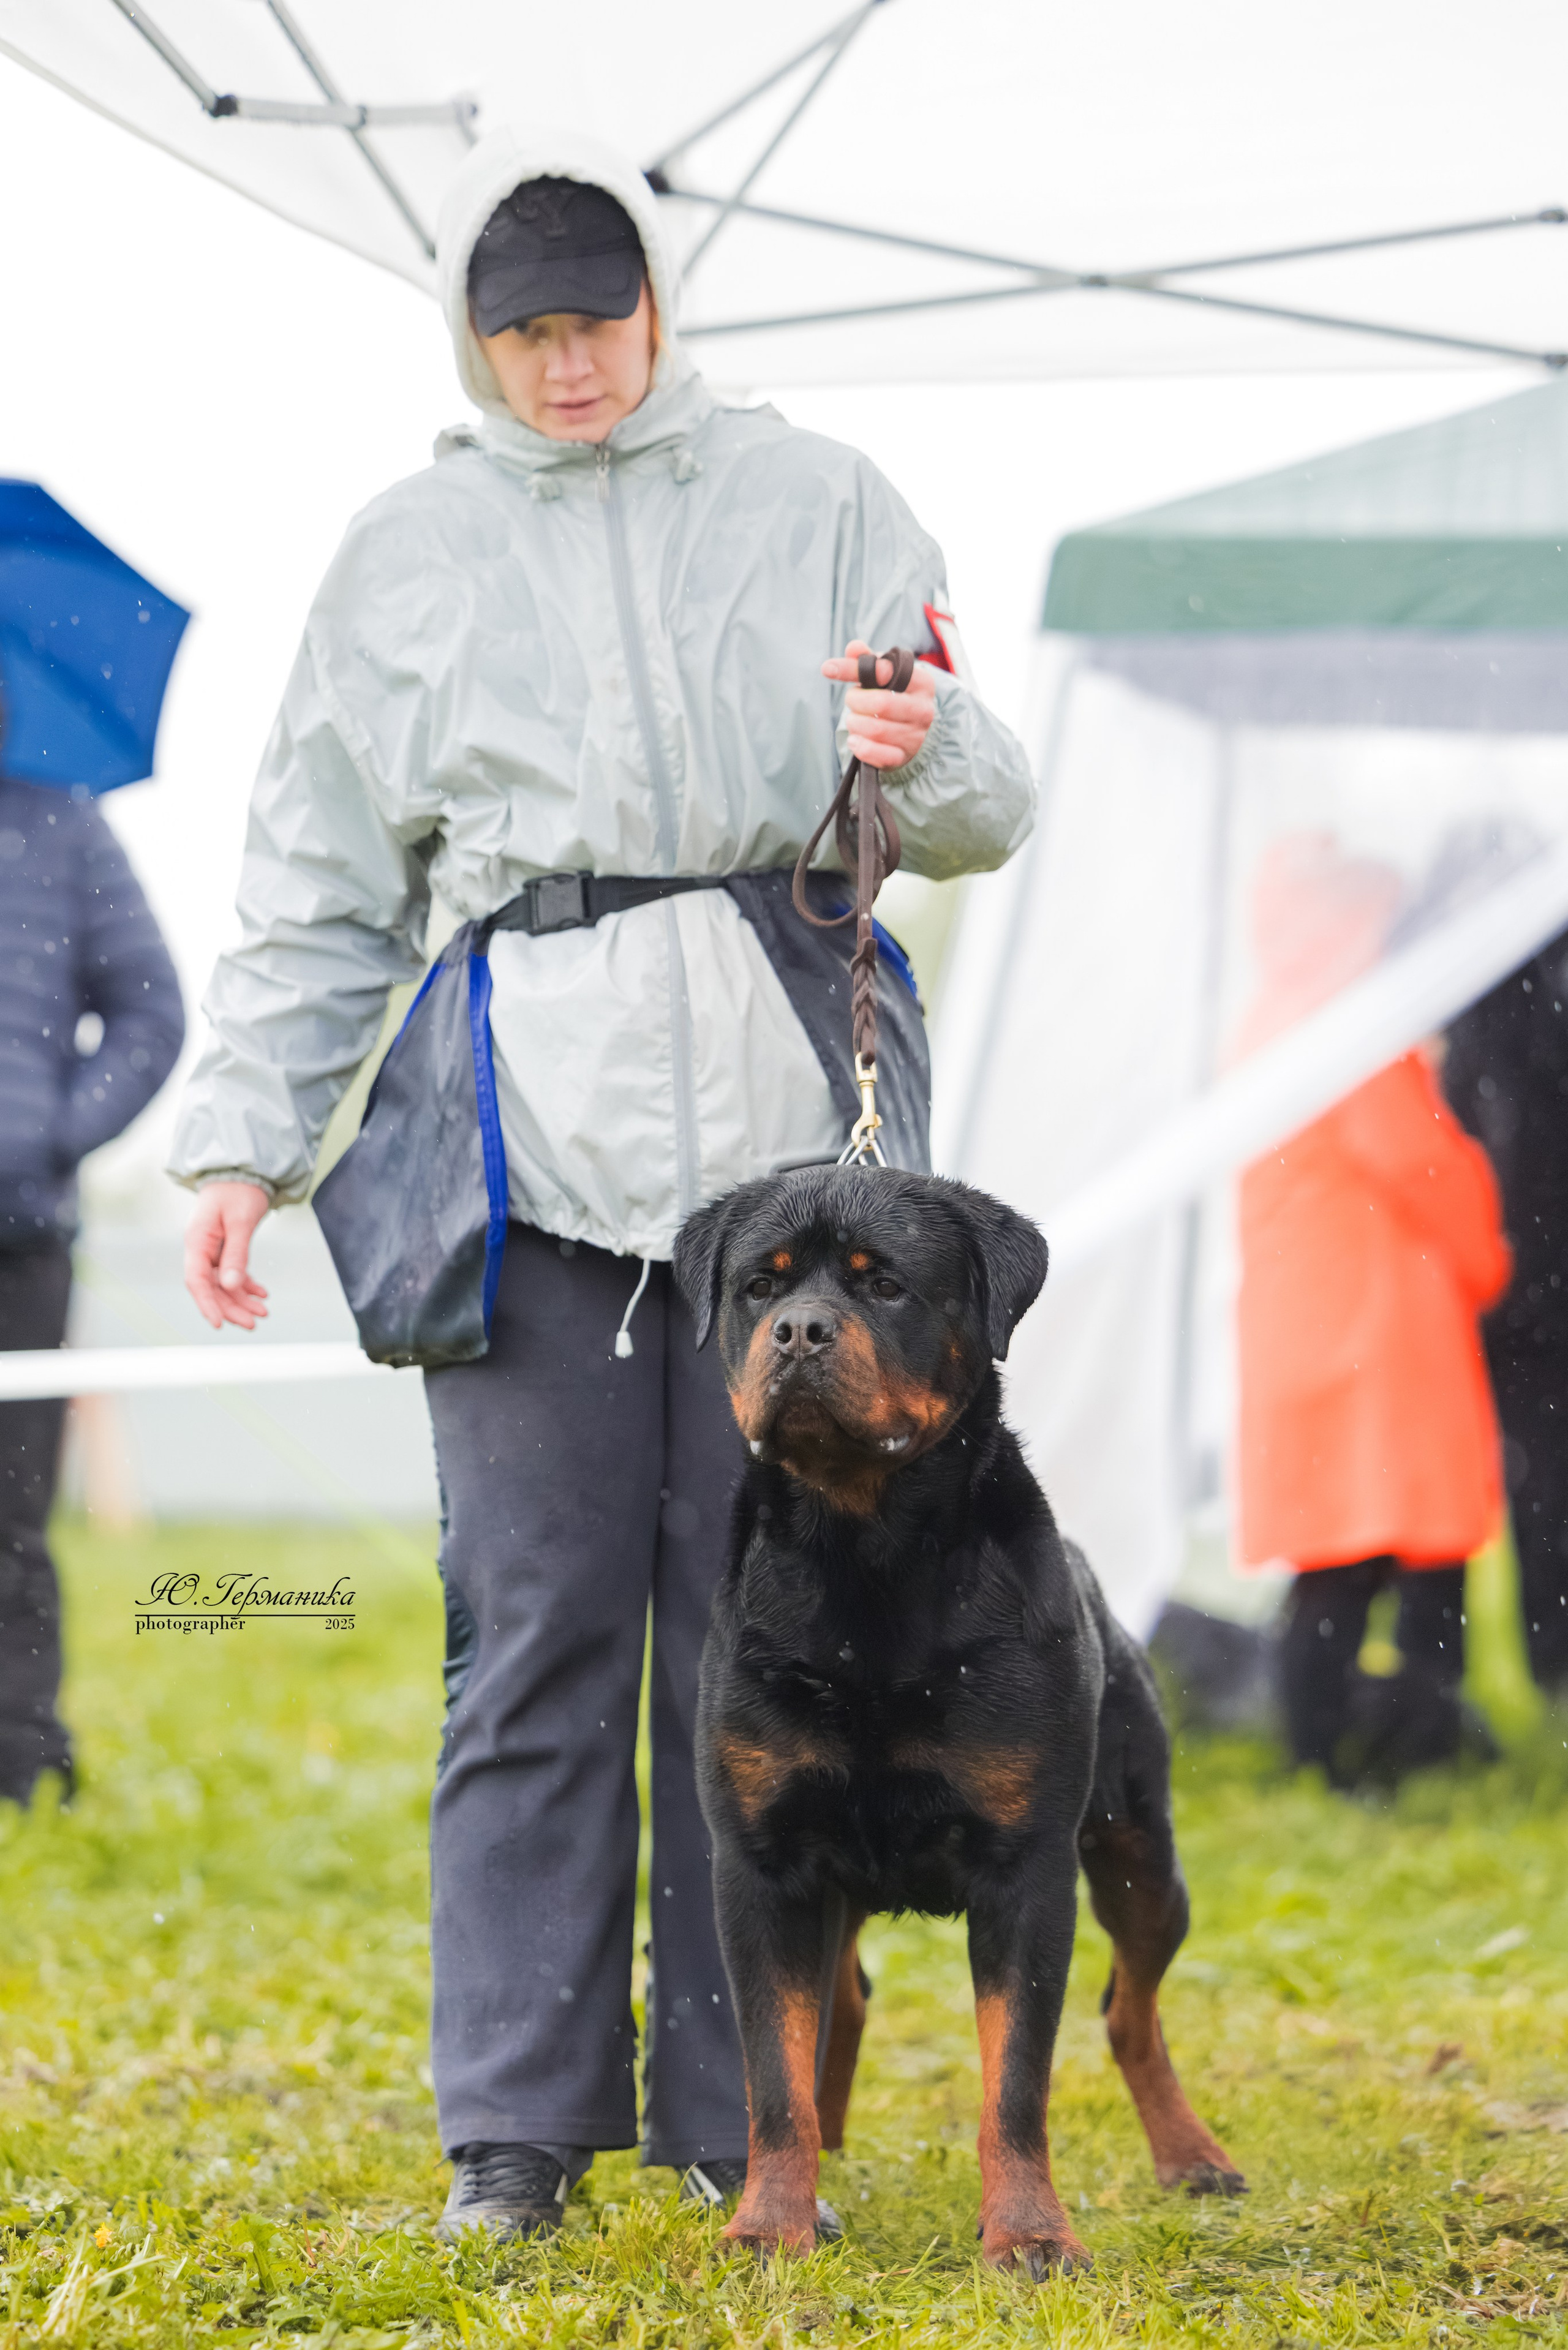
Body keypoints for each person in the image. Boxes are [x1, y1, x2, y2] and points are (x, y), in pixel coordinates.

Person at [168, 127, 1035, 2237]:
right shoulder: (402, 555)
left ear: (663, 308)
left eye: (602, 321)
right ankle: (516, 2128)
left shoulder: (822, 496)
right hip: (522, 1161)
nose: (572, 365)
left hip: (788, 1196)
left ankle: (749, 2119)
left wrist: (929, 750)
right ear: (474, 345)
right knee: (533, 1632)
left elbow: (983, 794)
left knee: (756, 1646)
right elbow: (314, 880)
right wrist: (236, 1137)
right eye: (528, 334)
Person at [1232, 834, 1512, 1785]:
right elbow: (1422, 1164)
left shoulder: (1268, 1019)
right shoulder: (1352, 1031)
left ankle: (1319, 1741)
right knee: (1417, 1548)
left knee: (1332, 1554)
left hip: (1299, 1327)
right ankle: (1413, 1742)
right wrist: (1488, 1252)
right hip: (1381, 1336)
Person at [0, 744, 185, 1802]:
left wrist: (47, 1135)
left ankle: (20, 1766)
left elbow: (153, 1010)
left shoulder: (64, 826)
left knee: (8, 1519)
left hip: (16, 1235)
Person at [1445, 930, 1568, 1695]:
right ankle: (1551, 1674)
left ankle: (1548, 1672)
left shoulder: (1475, 988)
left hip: (1509, 1287)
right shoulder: (1499, 999)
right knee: (1538, 1485)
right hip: (1519, 1292)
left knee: (1535, 1487)